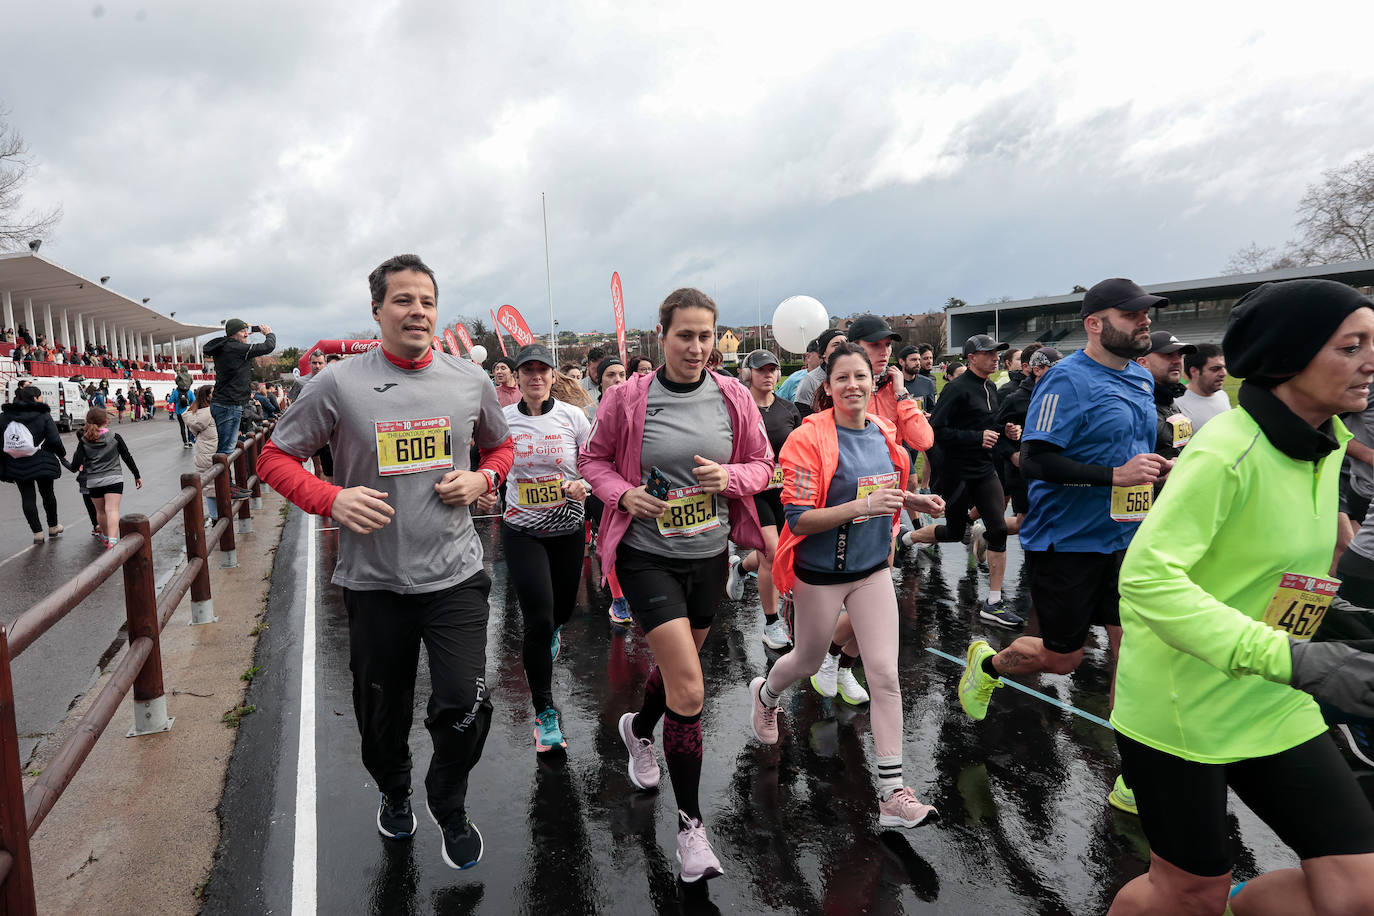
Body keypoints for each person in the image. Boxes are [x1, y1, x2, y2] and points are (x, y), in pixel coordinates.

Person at [1107, 278, 1374, 915]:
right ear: (1290, 355)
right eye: (1352, 346)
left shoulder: (1326, 443)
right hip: (1183, 707)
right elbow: (1146, 580)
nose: (1371, 361)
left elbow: (1286, 570)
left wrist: (1341, 626)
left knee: (1357, 890)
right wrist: (1294, 658)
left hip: (1274, 699)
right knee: (1187, 893)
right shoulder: (1227, 451)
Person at [257, 254, 513, 871]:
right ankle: (394, 791)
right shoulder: (338, 383)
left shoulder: (467, 380)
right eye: (403, 300)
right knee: (382, 713)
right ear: (377, 310)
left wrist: (482, 480)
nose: (417, 311)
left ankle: (446, 800)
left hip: (455, 575)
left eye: (427, 300)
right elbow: (273, 457)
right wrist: (332, 498)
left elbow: (500, 447)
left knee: (464, 702)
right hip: (374, 584)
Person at [580, 287, 773, 883]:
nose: (696, 347)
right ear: (660, 336)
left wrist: (730, 475)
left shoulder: (734, 396)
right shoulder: (628, 397)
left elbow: (765, 465)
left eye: (706, 336)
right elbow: (594, 460)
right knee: (690, 690)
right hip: (646, 556)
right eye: (684, 335)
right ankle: (692, 830)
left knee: (679, 669)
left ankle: (638, 729)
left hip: (708, 554)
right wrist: (622, 494)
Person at [956, 278, 1168, 816]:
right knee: (1064, 659)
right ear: (1095, 323)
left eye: (1147, 314)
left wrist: (1157, 469)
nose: (1144, 321)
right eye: (1133, 314)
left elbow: (1135, 453)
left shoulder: (1141, 380)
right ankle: (988, 666)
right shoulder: (1066, 381)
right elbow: (1036, 460)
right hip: (1067, 541)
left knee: (1134, 654)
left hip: (1127, 538)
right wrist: (1113, 474)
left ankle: (1135, 775)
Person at [747, 342, 945, 827]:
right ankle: (766, 697)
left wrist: (915, 504)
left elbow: (888, 493)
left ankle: (893, 793)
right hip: (820, 575)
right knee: (807, 660)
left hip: (873, 569)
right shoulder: (807, 438)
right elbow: (799, 518)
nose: (853, 385)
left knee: (885, 675)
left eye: (861, 376)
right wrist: (862, 507)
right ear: (827, 387)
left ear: (872, 382)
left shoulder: (882, 431)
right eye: (842, 378)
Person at [482, 343, 592, 755]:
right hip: (522, 531)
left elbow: (595, 462)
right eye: (527, 371)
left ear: (552, 376)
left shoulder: (572, 417)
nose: (535, 377)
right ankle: (545, 714)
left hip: (567, 529)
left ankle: (554, 629)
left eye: (542, 370)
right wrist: (486, 489)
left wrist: (586, 485)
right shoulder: (503, 420)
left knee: (561, 611)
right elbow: (490, 464)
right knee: (538, 620)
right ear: (517, 377)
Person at [904, 334, 1023, 625]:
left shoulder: (991, 387)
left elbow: (988, 426)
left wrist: (1006, 431)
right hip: (958, 474)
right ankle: (906, 539)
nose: (995, 357)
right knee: (955, 532)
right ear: (971, 358)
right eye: (989, 353)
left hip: (984, 471)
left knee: (996, 528)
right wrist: (975, 437)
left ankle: (993, 601)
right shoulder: (956, 389)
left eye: (998, 352)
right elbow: (935, 431)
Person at [725, 349, 801, 650]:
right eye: (761, 370)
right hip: (753, 491)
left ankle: (741, 569)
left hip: (785, 490)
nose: (767, 375)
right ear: (748, 374)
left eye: (772, 369)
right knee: (771, 551)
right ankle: (772, 623)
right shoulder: (739, 408)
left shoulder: (789, 408)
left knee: (782, 549)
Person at [992, 347, 1063, 542]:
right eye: (1054, 368)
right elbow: (993, 431)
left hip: (1052, 466)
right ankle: (986, 533)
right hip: (1022, 469)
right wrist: (1011, 454)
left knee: (1047, 517)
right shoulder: (1015, 398)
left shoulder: (1060, 394)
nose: (1061, 373)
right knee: (1026, 520)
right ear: (1037, 369)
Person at [584, 355, 632, 623]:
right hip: (603, 488)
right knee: (610, 543)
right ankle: (618, 599)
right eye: (610, 375)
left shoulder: (638, 407)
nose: (617, 380)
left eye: (621, 374)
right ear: (599, 381)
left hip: (631, 487)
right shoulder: (589, 412)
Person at [204, 319, 276, 470]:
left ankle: (229, 485)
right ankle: (226, 487)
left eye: (246, 330)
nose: (246, 334)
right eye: (242, 331)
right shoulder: (234, 347)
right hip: (229, 404)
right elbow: (268, 346)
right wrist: (268, 333)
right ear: (232, 334)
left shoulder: (226, 346)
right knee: (226, 449)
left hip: (226, 403)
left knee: (228, 447)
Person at [1, 384, 66, 543]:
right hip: (42, 459)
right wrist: (62, 455)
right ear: (35, 398)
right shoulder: (43, 414)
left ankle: (37, 533)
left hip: (16, 462)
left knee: (27, 497)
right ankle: (53, 526)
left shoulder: (4, 416)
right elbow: (54, 439)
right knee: (48, 494)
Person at [70, 406, 143, 548]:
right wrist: (136, 475)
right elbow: (127, 456)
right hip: (113, 478)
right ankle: (113, 541)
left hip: (93, 481)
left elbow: (75, 464)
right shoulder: (115, 437)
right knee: (112, 510)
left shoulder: (84, 440)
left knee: (101, 511)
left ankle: (105, 536)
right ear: (106, 420)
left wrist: (79, 464)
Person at [1135, 330, 1197, 468]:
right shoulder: (1134, 406)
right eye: (1168, 355)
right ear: (1143, 363)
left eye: (1180, 355)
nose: (1177, 360)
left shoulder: (1170, 400)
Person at [183, 386, 220, 521]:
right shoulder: (208, 413)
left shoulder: (195, 412)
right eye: (213, 393)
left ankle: (215, 516)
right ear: (207, 396)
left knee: (210, 485)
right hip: (209, 451)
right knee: (213, 485)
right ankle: (216, 517)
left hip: (204, 450)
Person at [1176, 342, 1230, 431]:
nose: (1223, 373)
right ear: (1194, 371)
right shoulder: (1178, 405)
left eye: (1224, 367)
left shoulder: (1223, 395)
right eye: (1215, 369)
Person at [794, 329, 846, 417]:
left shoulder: (856, 374)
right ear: (824, 353)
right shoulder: (810, 380)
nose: (842, 348)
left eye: (845, 343)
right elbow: (802, 415)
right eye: (835, 345)